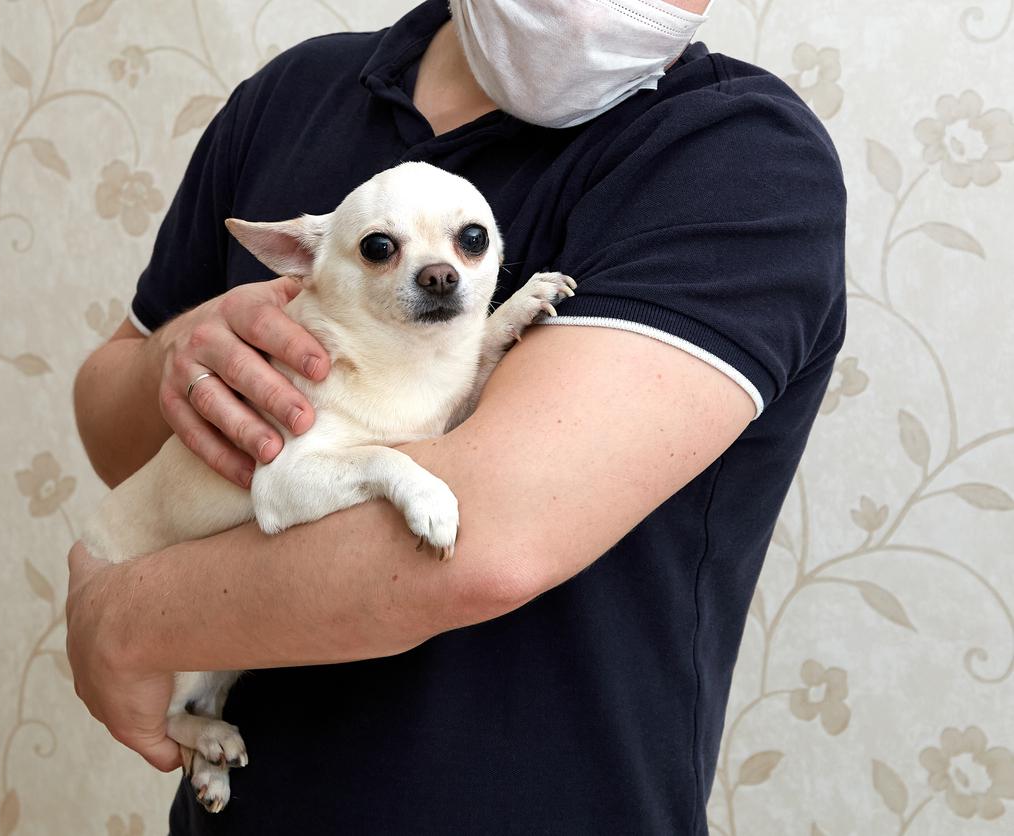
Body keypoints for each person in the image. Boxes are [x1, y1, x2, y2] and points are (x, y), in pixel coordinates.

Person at [67, 0, 846, 832]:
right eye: (382, 251)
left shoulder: (735, 156)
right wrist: (183, 352)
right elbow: (127, 446)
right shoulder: (292, 95)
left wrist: (120, 618)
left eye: (470, 250)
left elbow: (483, 543)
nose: (438, 274)